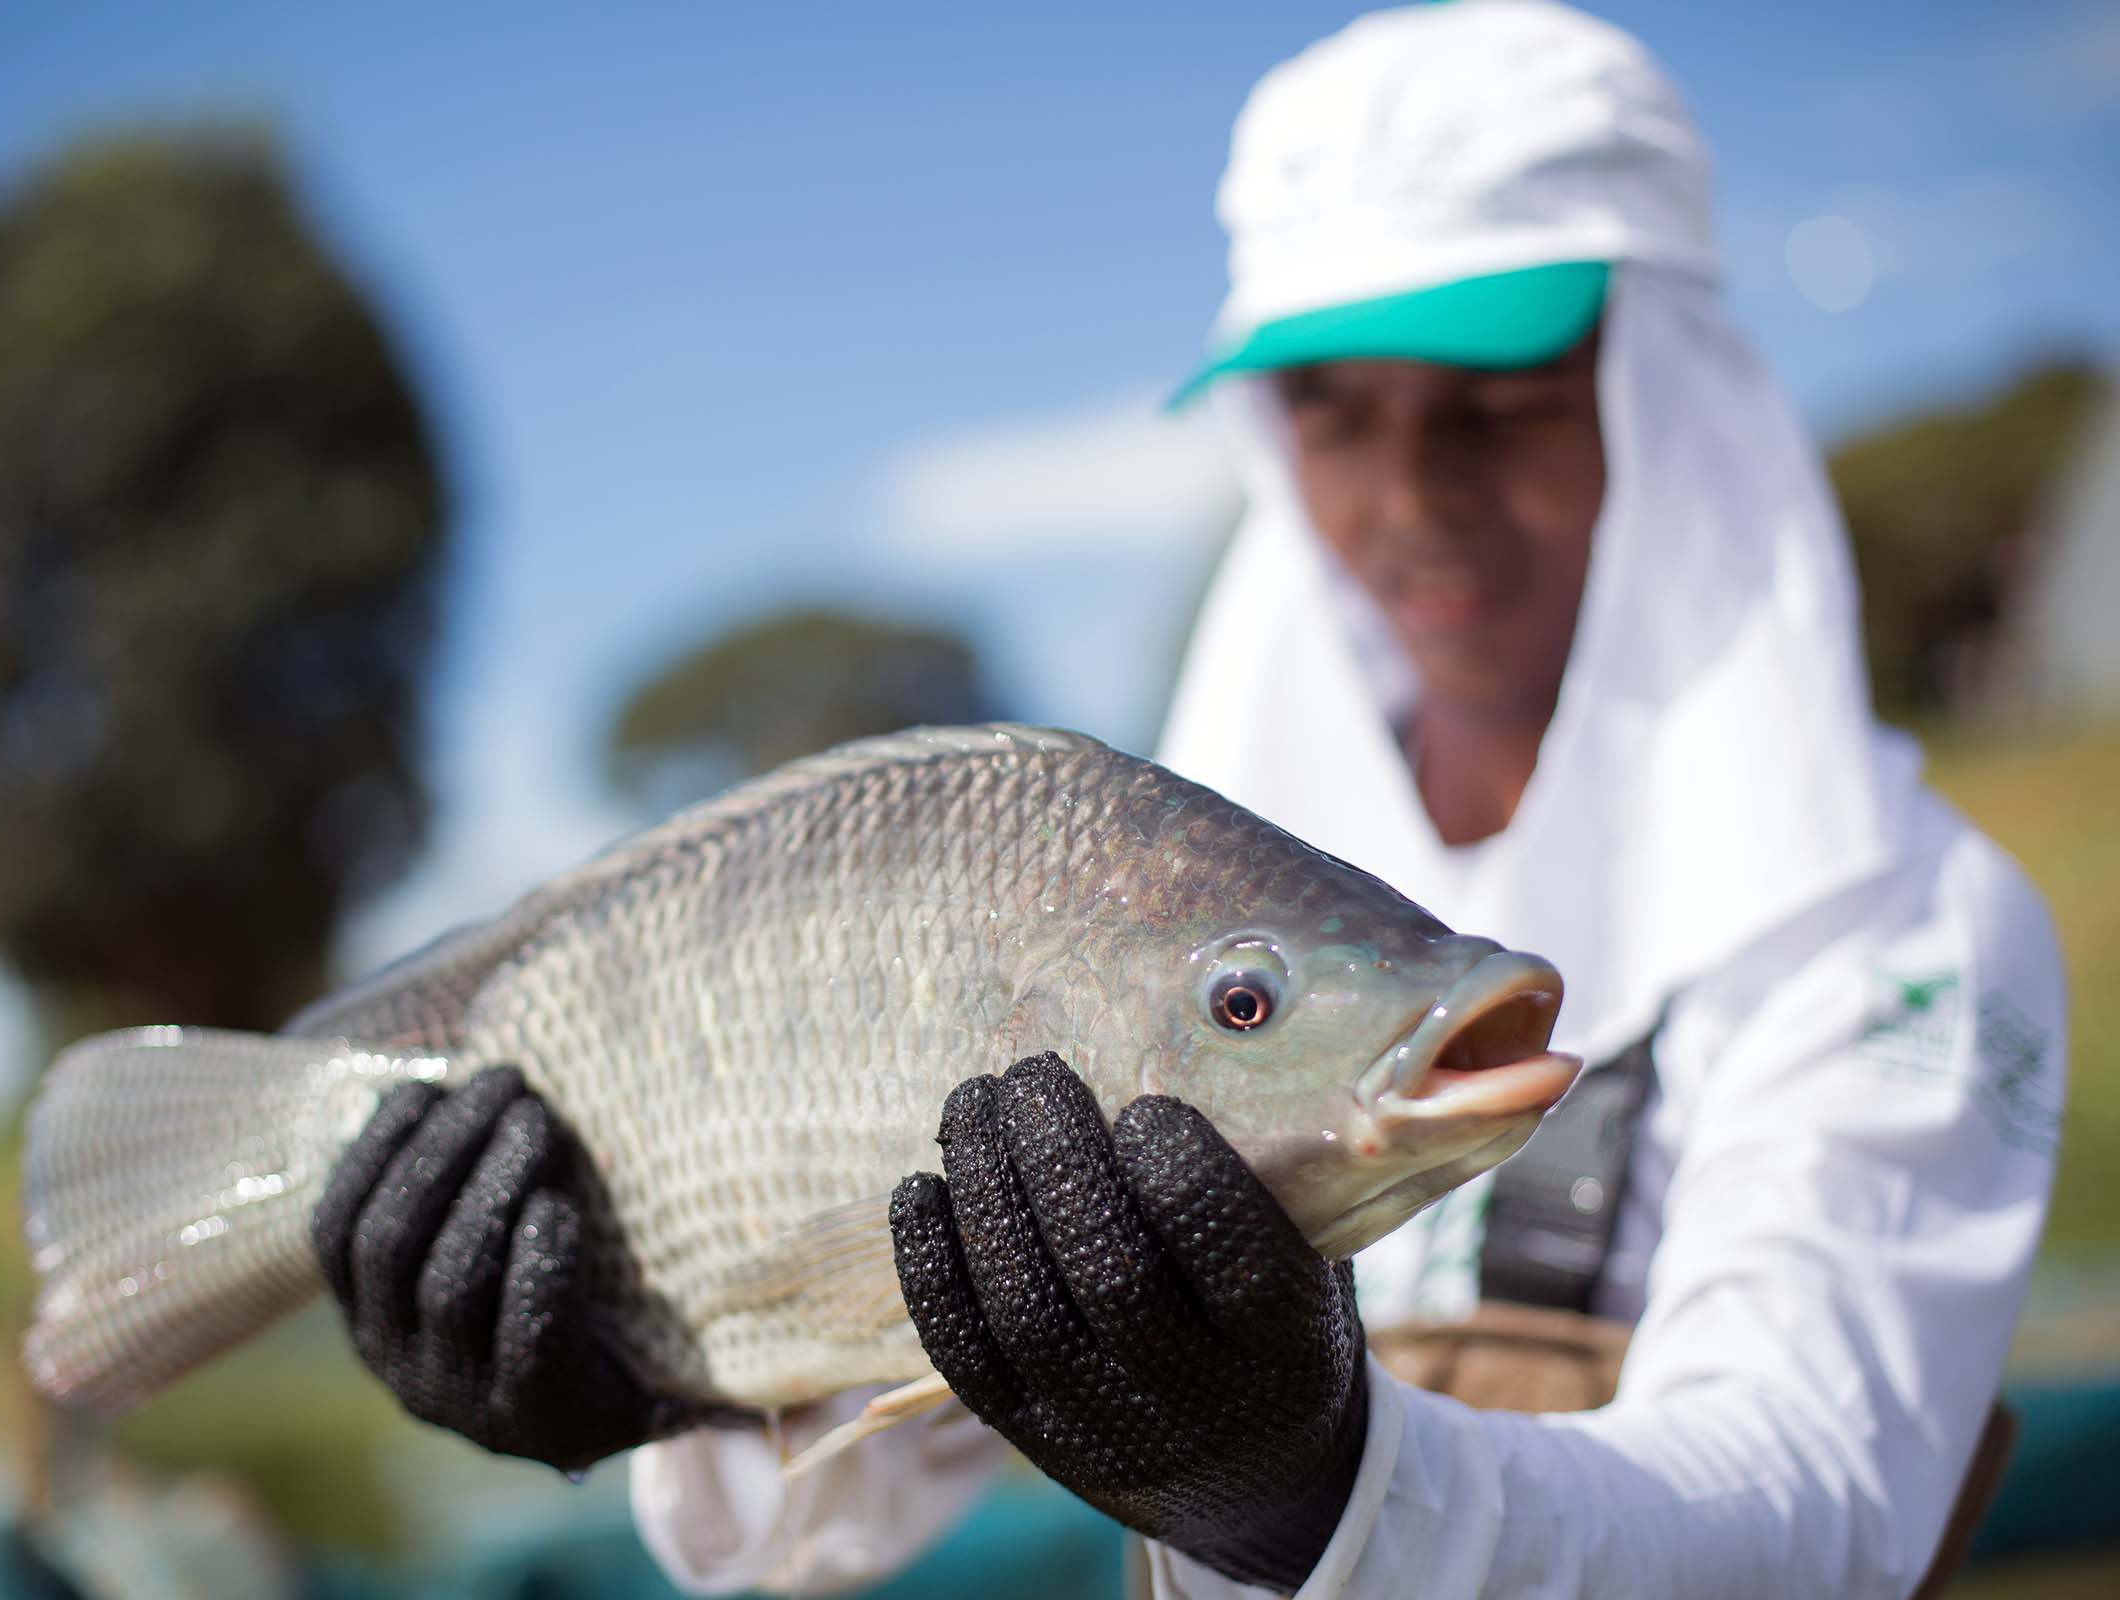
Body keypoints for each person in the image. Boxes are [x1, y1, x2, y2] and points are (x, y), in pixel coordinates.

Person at [312, 3, 2068, 1594]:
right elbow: (857, 1492)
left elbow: (1813, 1506)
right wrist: (660, 1385)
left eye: (1506, 403)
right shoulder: (1195, 892)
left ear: (1666, 398)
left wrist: (1301, 1484)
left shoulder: (1908, 930)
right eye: (1331, 415)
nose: (1412, 497)